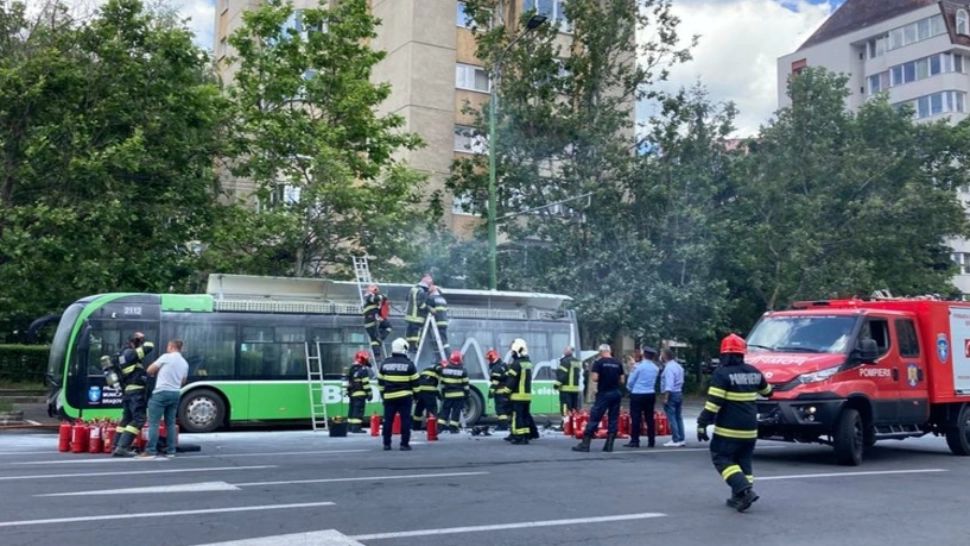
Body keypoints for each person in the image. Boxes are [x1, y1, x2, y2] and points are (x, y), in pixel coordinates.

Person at [696, 334, 772, 512]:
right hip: (750, 430)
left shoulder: (722, 374)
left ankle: (744, 491)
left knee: (721, 458)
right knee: (744, 461)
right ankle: (739, 496)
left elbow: (714, 404)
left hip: (728, 430)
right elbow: (768, 392)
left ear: (725, 355)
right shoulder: (754, 371)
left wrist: (702, 424)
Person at [101, 332, 154, 457]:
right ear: (133, 342)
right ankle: (122, 447)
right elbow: (150, 346)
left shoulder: (118, 356)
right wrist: (143, 337)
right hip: (136, 392)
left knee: (127, 419)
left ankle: (116, 446)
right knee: (139, 419)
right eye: (137, 343)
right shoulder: (130, 354)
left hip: (127, 392)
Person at [136, 339, 188, 459]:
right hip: (175, 393)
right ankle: (171, 450)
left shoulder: (166, 357)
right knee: (170, 423)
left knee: (154, 423)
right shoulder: (184, 362)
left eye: (168, 346)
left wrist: (158, 373)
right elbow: (183, 381)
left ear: (171, 346)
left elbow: (149, 370)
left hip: (161, 393)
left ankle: (150, 451)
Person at [573, 344, 625, 453]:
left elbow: (595, 378)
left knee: (595, 417)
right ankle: (609, 445)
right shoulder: (618, 362)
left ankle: (585, 444)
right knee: (613, 418)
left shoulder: (599, 362)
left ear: (601, 351)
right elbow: (622, 380)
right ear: (610, 351)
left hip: (604, 393)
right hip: (616, 393)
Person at [377, 338, 420, 451]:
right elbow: (416, 383)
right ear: (404, 348)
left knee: (388, 421)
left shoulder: (385, 363)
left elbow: (380, 382)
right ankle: (404, 444)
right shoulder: (409, 364)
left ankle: (386, 444)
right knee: (405, 420)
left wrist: (383, 394)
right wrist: (416, 396)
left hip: (389, 397)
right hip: (405, 398)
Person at [623, 346, 660, 449]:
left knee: (636, 417)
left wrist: (629, 389)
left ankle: (635, 440)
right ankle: (651, 441)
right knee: (649, 418)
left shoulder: (638, 366)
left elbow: (630, 381)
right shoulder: (655, 368)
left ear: (644, 354)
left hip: (637, 394)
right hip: (650, 394)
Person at [504, 338, 534, 445]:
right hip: (527, 396)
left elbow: (511, 381)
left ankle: (518, 436)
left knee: (517, 416)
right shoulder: (528, 362)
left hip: (517, 396)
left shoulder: (516, 364)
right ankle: (525, 436)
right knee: (525, 416)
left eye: (513, 351)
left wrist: (505, 391)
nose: (512, 353)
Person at [661, 348, 686, 447]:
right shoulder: (678, 366)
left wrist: (666, 397)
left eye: (661, 354)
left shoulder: (669, 368)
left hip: (671, 394)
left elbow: (669, 384)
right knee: (678, 417)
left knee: (672, 417)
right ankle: (681, 438)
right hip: (679, 392)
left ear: (665, 356)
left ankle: (675, 439)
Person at [439, 350, 469, 433]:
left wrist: (443, 393)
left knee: (445, 411)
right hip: (459, 396)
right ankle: (453, 429)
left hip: (448, 395)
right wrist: (467, 395)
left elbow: (442, 384)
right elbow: (466, 385)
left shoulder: (444, 369)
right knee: (456, 412)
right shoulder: (463, 371)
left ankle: (440, 427)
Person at [404, 274, 432, 357]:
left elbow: (407, 299)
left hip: (409, 317)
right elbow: (421, 304)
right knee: (416, 334)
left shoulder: (413, 289)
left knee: (409, 334)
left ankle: (409, 348)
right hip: (417, 317)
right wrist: (429, 309)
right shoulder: (422, 291)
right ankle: (414, 348)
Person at [344, 351, 373, 433]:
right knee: (358, 411)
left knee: (352, 410)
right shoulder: (363, 370)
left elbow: (348, 381)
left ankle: (349, 427)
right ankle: (356, 428)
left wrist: (348, 392)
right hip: (360, 394)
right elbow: (366, 383)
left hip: (352, 393)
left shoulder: (352, 368)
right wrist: (369, 394)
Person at [362, 284, 392, 360]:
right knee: (374, 339)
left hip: (376, 320)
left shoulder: (374, 300)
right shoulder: (368, 296)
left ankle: (380, 338)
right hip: (370, 321)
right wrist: (382, 296)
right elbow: (374, 299)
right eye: (375, 290)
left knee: (388, 326)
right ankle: (377, 354)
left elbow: (380, 308)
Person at [411, 359, 442, 431]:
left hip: (420, 391)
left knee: (419, 409)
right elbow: (437, 385)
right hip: (429, 392)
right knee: (431, 410)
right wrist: (440, 396)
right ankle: (431, 428)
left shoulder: (426, 369)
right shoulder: (438, 368)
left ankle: (416, 426)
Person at [554, 346, 582, 416]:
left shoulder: (565, 361)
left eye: (565, 349)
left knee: (565, 408)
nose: (563, 351)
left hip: (565, 389)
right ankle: (573, 424)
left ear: (568, 351)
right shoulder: (577, 361)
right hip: (575, 389)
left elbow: (562, 375)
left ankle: (565, 423)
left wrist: (556, 385)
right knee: (574, 409)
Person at [487, 349, 511, 431]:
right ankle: (504, 425)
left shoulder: (496, 368)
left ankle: (503, 426)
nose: (488, 362)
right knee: (505, 409)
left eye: (489, 360)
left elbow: (495, 382)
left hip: (500, 392)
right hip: (506, 391)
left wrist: (490, 393)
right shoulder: (503, 365)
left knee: (500, 409)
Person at [428, 285, 449, 354]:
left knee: (437, 342)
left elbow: (427, 309)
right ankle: (448, 355)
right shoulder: (443, 300)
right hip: (444, 323)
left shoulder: (431, 299)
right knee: (444, 342)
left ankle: (443, 356)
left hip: (436, 323)